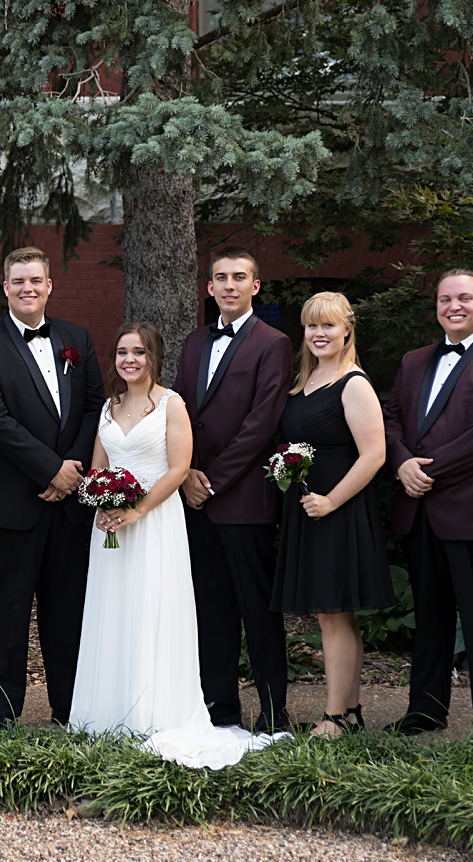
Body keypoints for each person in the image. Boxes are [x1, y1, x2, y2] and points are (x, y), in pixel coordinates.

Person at [71, 322, 286, 768]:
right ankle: (106, 711)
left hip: (154, 520)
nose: (130, 360)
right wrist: (101, 503)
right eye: (123, 352)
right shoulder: (108, 407)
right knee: (113, 611)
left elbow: (178, 468)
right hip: (111, 524)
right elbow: (98, 465)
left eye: (139, 353)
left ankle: (155, 710)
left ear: (154, 358)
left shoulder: (172, 404)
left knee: (153, 609)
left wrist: (137, 510)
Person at [0, 246, 105, 730]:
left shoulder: (76, 338)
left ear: (49, 286)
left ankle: (71, 711)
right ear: (5, 287)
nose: (28, 288)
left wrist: (74, 469)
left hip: (69, 504)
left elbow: (93, 407)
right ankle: (2, 715)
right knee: (5, 612)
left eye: (36, 280)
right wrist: (50, 471)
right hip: (10, 502)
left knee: (68, 611)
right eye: (18, 280)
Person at [382, 269, 473, 734]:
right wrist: (401, 462)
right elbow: (388, 418)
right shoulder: (413, 360)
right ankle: (424, 713)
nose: (454, 306)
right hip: (420, 508)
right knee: (429, 619)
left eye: (465, 298)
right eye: (445, 299)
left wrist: (426, 469)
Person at [173, 249, 293, 732]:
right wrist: (185, 474)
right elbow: (178, 411)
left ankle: (272, 710)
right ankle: (219, 711)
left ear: (255, 286)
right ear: (209, 288)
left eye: (238, 277)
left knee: (258, 612)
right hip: (195, 497)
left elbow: (262, 424)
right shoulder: (194, 342)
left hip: (243, 501)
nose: (228, 285)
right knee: (211, 611)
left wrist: (213, 480)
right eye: (220, 278)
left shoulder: (274, 343)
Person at [270, 293, 394, 736]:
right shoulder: (304, 379)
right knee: (330, 613)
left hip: (338, 508)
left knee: (332, 612)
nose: (319, 334)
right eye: (311, 326)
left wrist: (331, 501)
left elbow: (374, 454)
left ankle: (336, 717)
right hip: (307, 508)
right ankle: (350, 712)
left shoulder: (353, 382)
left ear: (347, 330)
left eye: (328, 326)